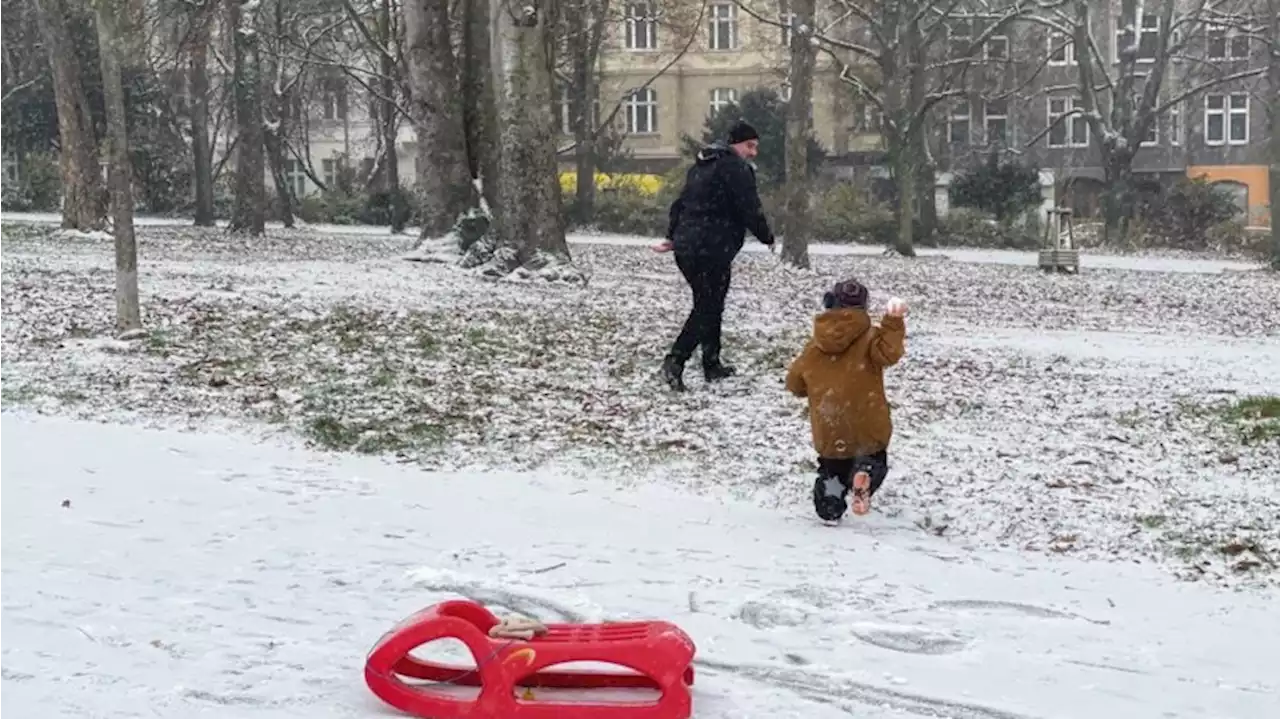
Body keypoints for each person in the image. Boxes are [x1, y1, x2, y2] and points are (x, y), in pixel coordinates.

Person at [654, 120, 775, 392]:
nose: (753, 152)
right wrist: (766, 236)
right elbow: (749, 206)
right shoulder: (735, 168)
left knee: (709, 302)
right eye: (750, 146)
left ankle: (712, 363)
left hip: (689, 247)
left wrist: (673, 236)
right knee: (709, 307)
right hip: (713, 246)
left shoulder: (701, 167)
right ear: (735, 145)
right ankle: (676, 360)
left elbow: (679, 204)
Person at [785, 280, 907, 521]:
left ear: (830, 303)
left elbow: (795, 384)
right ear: (864, 306)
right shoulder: (871, 336)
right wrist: (893, 323)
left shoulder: (815, 346)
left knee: (832, 470)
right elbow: (889, 353)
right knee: (873, 457)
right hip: (866, 418)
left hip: (830, 424)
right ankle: (865, 474)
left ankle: (830, 501)